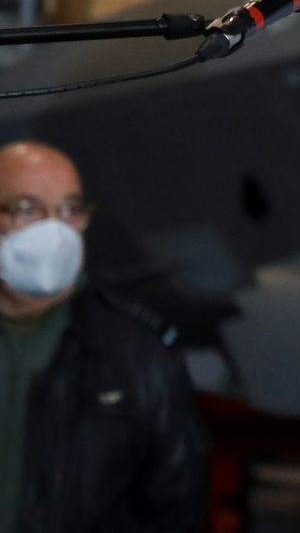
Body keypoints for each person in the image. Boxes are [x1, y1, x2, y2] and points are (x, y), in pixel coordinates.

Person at [0, 141, 207, 533]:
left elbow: (177, 509)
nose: (54, 230)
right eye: (28, 208)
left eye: (70, 209)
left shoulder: (136, 356)